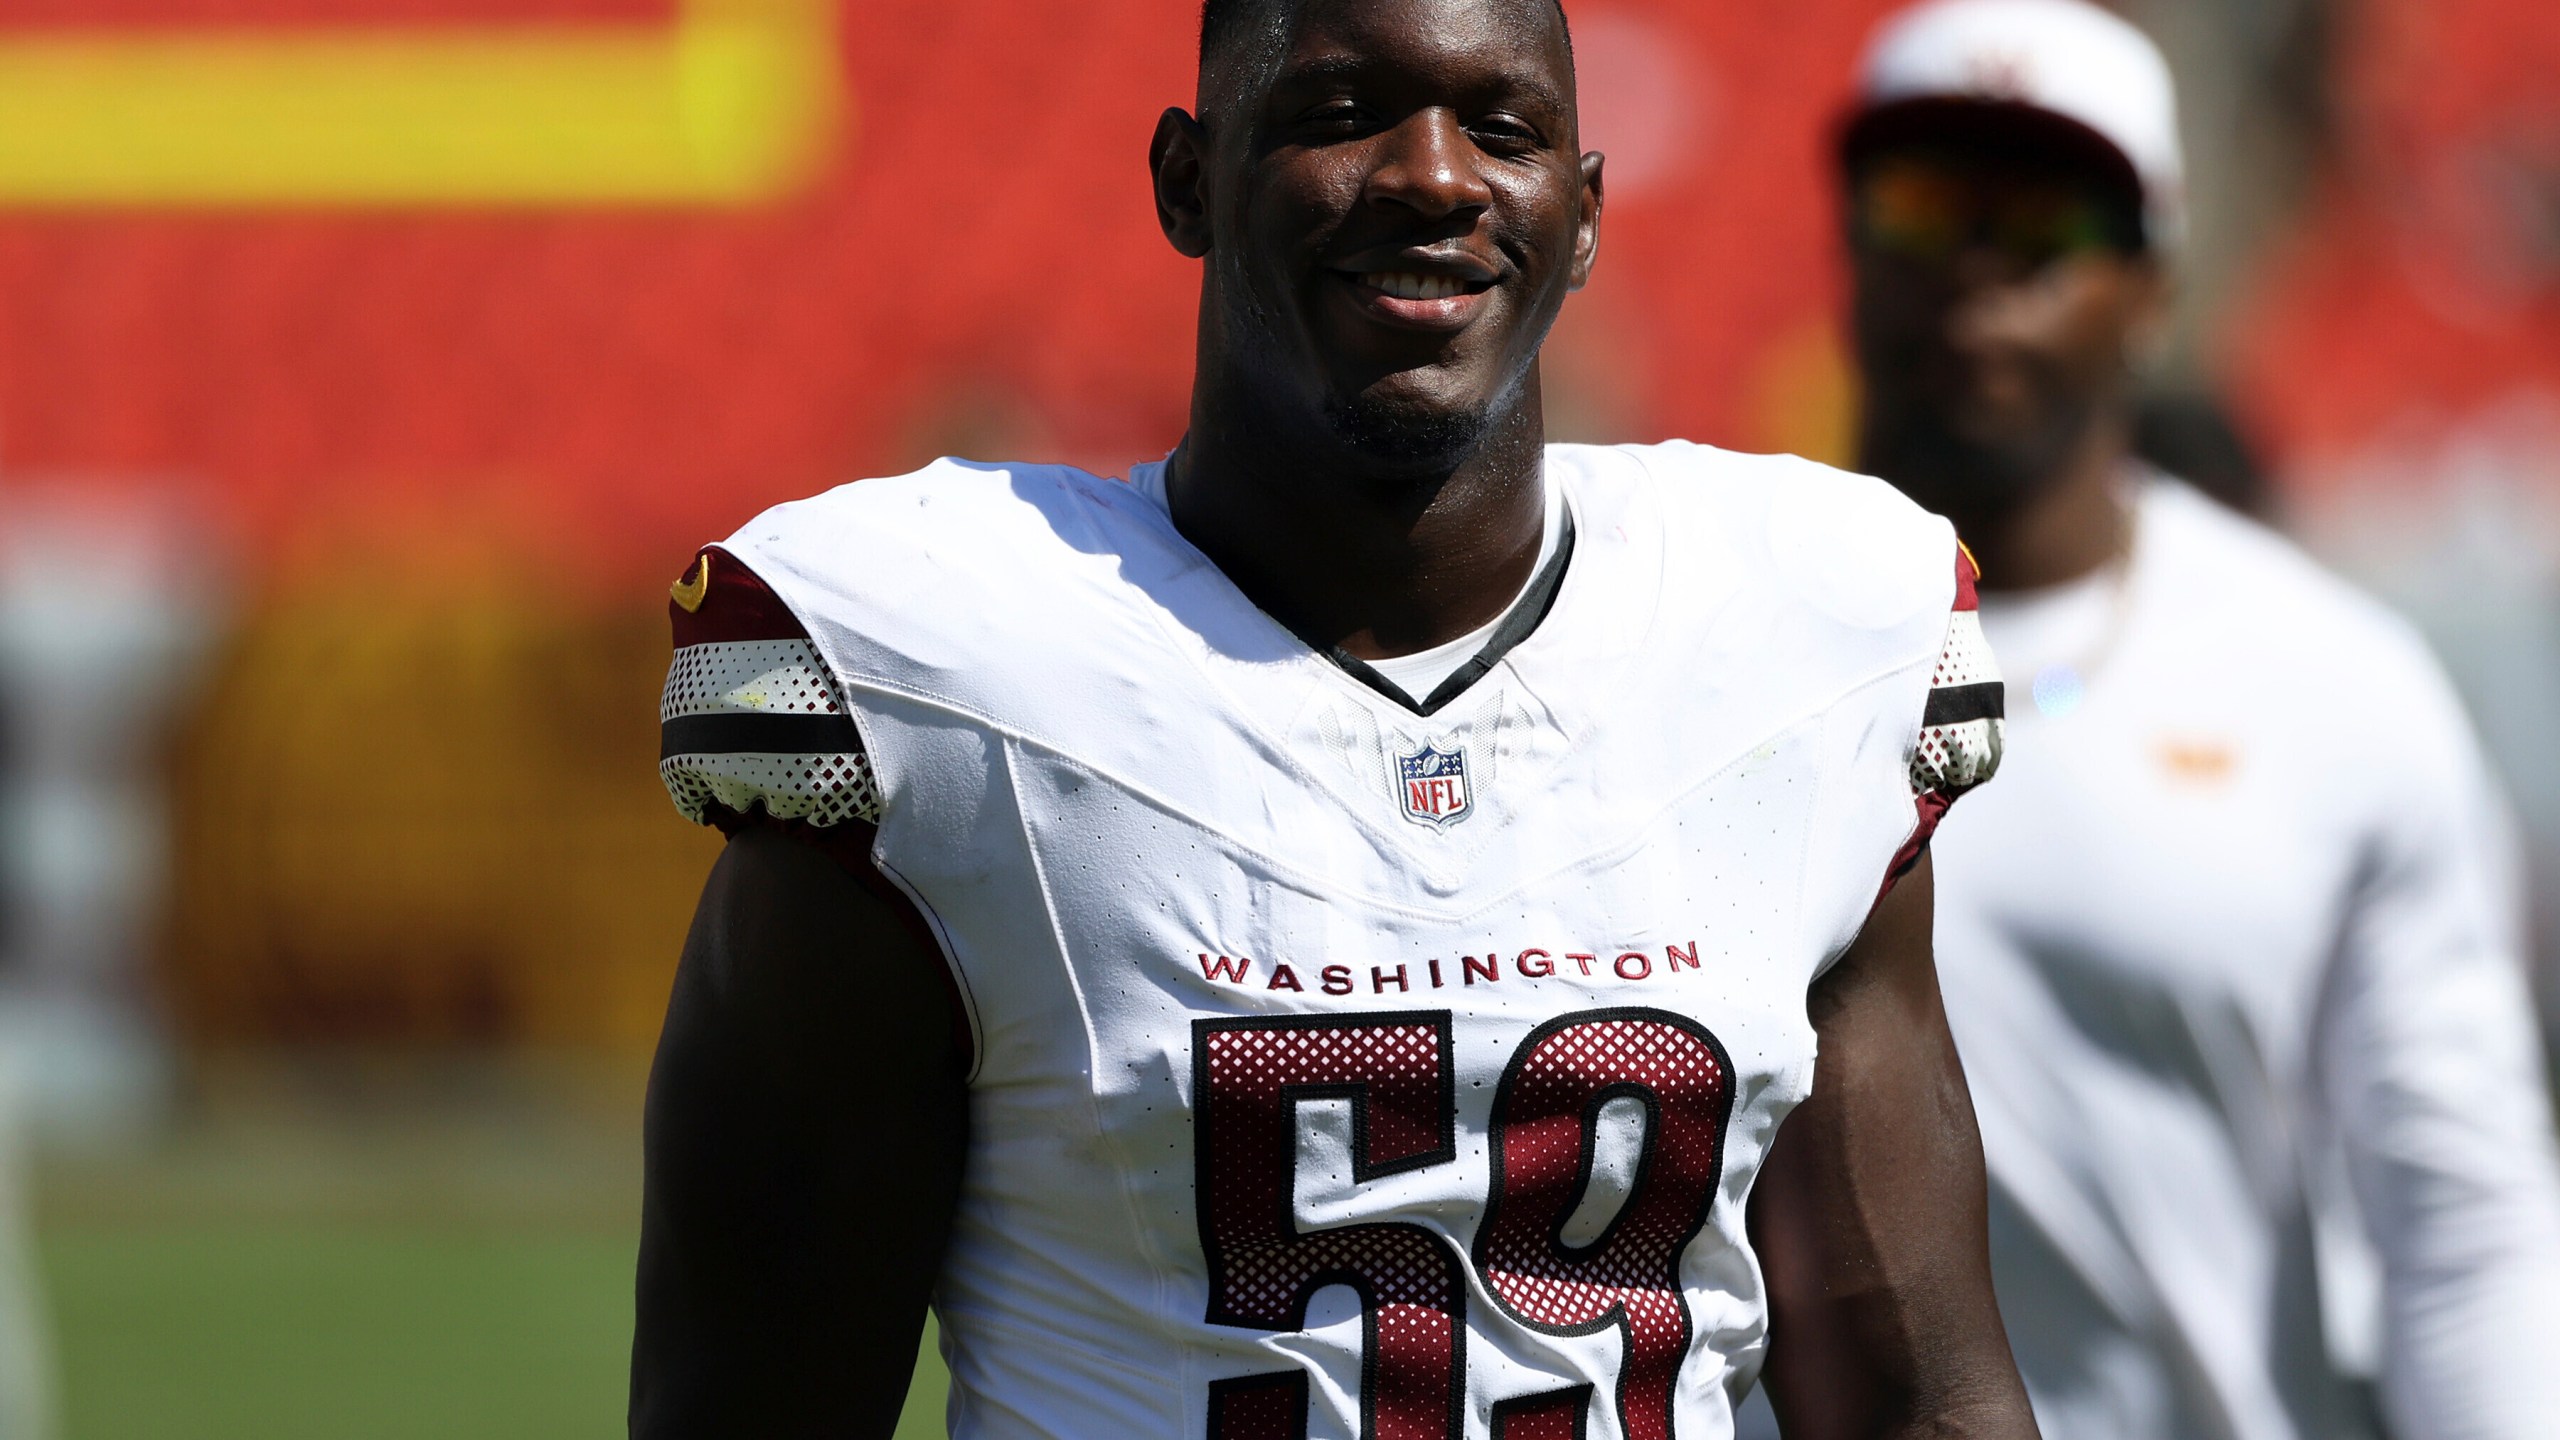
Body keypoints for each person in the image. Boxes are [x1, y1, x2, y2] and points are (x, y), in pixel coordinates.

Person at [631, 0, 2041, 1436]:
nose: (1434, 177)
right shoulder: (944, 678)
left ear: (1587, 210)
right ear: (1190, 180)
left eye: (1503, 130)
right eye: (1338, 113)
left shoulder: (1806, 638)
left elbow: (1923, 1396)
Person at [1816, 3, 2560, 1439]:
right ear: (1848, 247)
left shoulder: (2337, 685)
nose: (1974, 263)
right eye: (1921, 203)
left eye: (2043, 216)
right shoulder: (1690, 637)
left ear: (2154, 281)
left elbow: (2463, 1222)